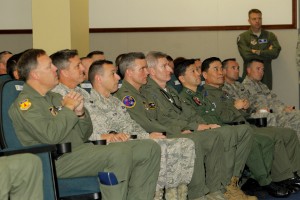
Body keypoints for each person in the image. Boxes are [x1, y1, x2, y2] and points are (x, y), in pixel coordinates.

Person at [9, 49, 161, 200]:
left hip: (81, 150)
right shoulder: (26, 104)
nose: (55, 68)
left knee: (148, 148)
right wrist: (68, 108)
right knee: (118, 152)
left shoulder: (54, 97)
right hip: (57, 159)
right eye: (49, 66)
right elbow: (50, 137)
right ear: (35, 74)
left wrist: (81, 114)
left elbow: (84, 134)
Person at [115, 52, 256, 200]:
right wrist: (189, 128)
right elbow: (152, 122)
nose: (170, 70)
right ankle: (199, 193)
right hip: (158, 135)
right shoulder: (133, 94)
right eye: (165, 66)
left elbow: (187, 112)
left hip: (171, 130)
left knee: (219, 134)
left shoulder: (166, 90)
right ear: (130, 72)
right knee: (196, 140)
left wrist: (203, 125)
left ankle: (220, 188)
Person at [85, 60, 195, 200]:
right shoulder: (89, 103)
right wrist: (145, 138)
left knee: (185, 143)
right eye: (113, 74)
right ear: (99, 79)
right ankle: (156, 195)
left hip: (130, 141)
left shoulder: (115, 101)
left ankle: (177, 194)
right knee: (155, 147)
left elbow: (131, 125)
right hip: (114, 147)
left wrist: (147, 135)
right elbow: (104, 135)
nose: (118, 77)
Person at [199, 57, 300, 196]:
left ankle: (294, 172)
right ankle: (275, 178)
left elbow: (238, 114)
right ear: (204, 75)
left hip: (246, 124)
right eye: (215, 69)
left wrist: (244, 110)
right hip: (233, 130)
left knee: (287, 133)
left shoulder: (223, 93)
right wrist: (236, 108)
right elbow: (222, 118)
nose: (220, 72)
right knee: (270, 138)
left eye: (221, 69)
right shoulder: (205, 95)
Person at [222, 58, 300, 140]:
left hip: (253, 113)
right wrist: (255, 110)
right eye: (233, 68)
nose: (237, 70)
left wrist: (284, 108)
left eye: (238, 68)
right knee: (279, 120)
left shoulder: (240, 85)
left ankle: (294, 147)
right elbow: (253, 105)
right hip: (244, 118)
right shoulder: (224, 87)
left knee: (295, 115)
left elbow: (252, 103)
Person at [237, 8, 281, 89]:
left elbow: (275, 53)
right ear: (249, 20)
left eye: (259, 18)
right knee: (247, 100)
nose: (257, 21)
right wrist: (267, 52)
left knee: (267, 100)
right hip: (249, 77)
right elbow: (246, 55)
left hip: (265, 76)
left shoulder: (270, 35)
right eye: (254, 19)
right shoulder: (243, 37)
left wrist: (258, 52)